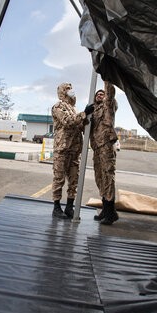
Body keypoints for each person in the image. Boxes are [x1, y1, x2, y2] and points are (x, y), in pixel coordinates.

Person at [51, 83, 88, 219]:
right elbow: (67, 121)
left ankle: (69, 207)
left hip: (74, 149)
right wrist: (84, 114)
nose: (70, 91)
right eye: (67, 89)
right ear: (62, 91)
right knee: (59, 178)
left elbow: (78, 123)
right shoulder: (58, 106)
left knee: (74, 180)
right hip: (63, 149)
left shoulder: (73, 108)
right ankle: (56, 207)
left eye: (70, 88)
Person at [85, 80, 119, 224]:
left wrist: (107, 77)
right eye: (98, 94)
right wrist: (85, 114)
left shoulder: (108, 106)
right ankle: (106, 209)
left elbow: (110, 92)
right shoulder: (94, 109)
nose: (100, 95)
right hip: (96, 147)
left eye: (102, 94)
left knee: (107, 176)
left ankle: (110, 212)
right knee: (100, 178)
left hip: (105, 145)